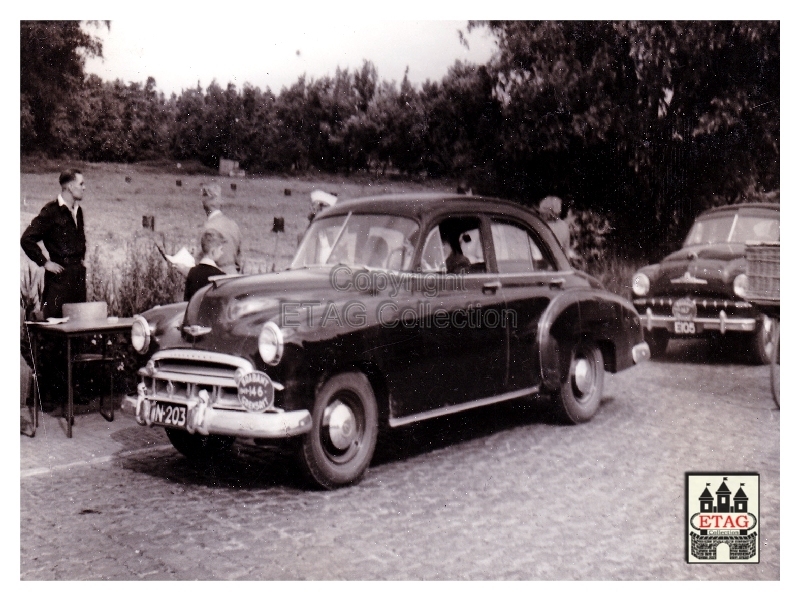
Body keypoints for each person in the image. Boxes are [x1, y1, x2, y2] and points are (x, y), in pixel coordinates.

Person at [21, 168, 87, 319]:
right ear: (70, 187)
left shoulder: (78, 211)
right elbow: (27, 239)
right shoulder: (51, 212)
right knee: (55, 328)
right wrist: (45, 263)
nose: (84, 187)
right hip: (59, 279)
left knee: (79, 327)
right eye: (81, 184)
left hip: (78, 277)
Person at [199, 183, 242, 275]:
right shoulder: (233, 224)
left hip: (216, 279)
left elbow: (201, 261)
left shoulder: (207, 228)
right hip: (234, 276)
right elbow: (239, 257)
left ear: (203, 204)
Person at [184, 230, 226, 301]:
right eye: (221, 249)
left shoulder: (192, 272)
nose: (222, 253)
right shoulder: (220, 276)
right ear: (213, 251)